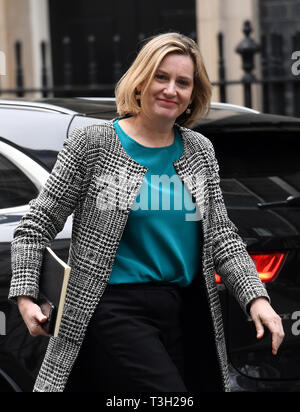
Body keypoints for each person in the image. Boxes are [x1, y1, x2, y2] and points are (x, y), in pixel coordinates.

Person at [9, 32, 284, 393]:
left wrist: (257, 299)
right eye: (161, 76)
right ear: (140, 81)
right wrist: (26, 294)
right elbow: (36, 224)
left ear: (192, 94)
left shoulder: (199, 151)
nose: (171, 89)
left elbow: (222, 237)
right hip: (114, 308)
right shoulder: (95, 145)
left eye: (183, 82)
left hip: (184, 310)